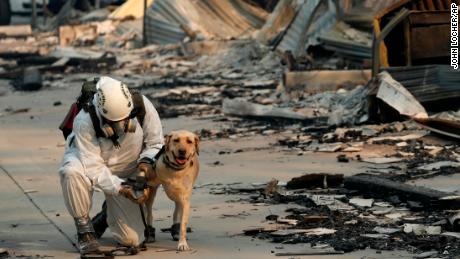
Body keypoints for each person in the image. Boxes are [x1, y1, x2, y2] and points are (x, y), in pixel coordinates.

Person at [58, 76, 163, 254]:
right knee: (70, 172)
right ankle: (84, 229)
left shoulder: (143, 106)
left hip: (126, 169)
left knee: (131, 240)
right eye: (113, 122)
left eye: (125, 119)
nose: (121, 126)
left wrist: (143, 167)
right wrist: (121, 189)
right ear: (101, 112)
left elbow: (156, 143)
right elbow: (93, 167)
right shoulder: (84, 119)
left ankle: (107, 215)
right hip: (86, 161)